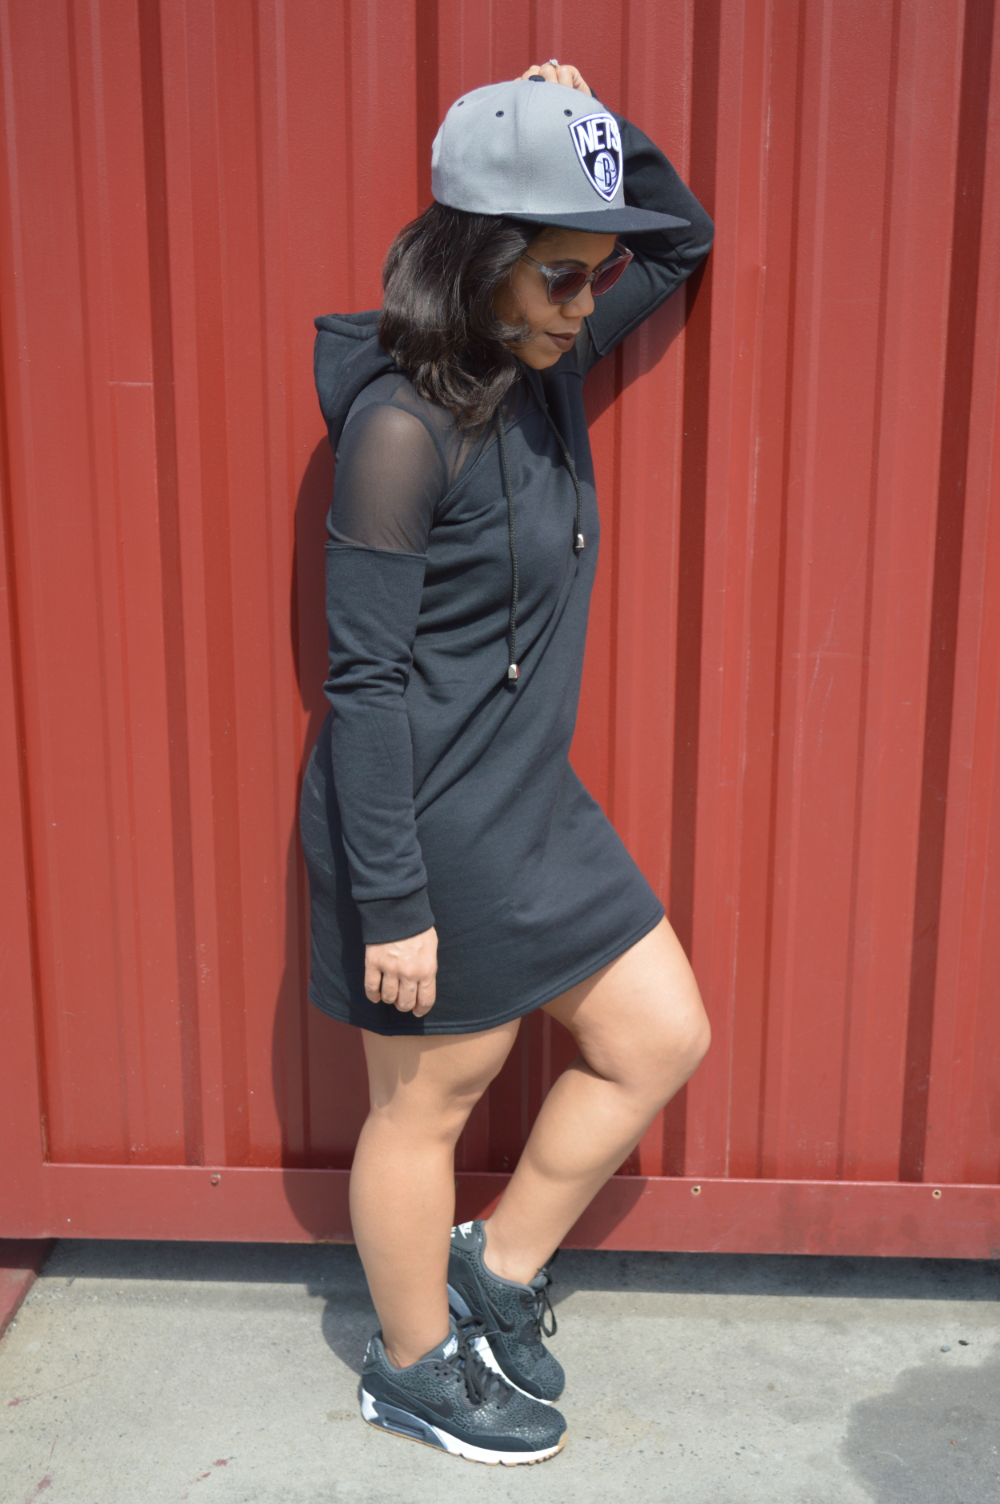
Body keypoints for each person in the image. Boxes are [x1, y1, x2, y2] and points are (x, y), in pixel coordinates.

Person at [300, 59, 714, 1466]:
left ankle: (498, 1266)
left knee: (659, 1037)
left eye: (596, 277)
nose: (590, 304)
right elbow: (364, 683)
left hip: (533, 802)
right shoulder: (398, 430)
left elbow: (682, 238)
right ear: (478, 262)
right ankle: (411, 1366)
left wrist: (597, 134)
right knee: (425, 1108)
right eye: (561, 276)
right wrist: (394, 901)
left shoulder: (541, 365)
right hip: (431, 823)